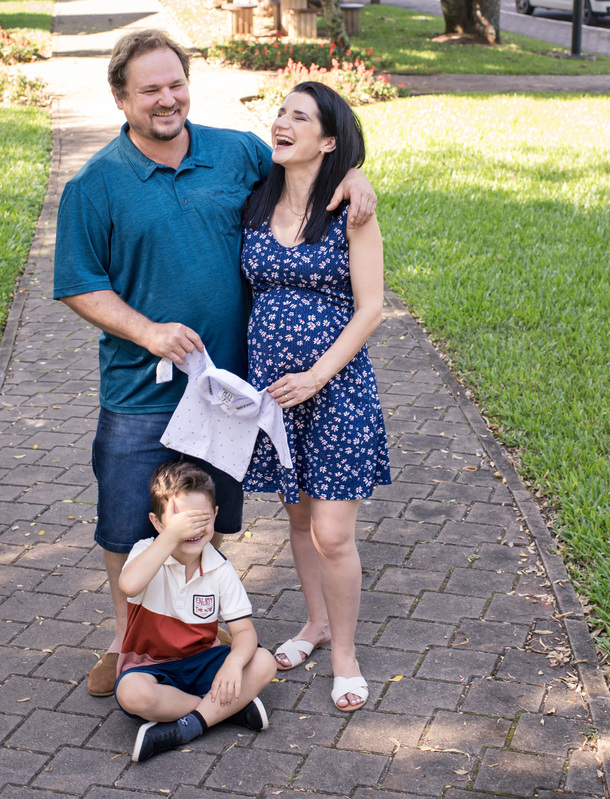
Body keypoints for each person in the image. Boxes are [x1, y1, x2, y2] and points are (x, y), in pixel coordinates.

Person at [52, 29, 377, 698]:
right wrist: (147, 331)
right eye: (149, 89)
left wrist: (353, 174)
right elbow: (80, 284)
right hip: (140, 391)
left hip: (230, 389)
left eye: (176, 84)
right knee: (126, 524)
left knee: (208, 521)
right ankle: (127, 640)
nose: (167, 99)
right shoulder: (95, 185)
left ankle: (195, 635)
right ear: (121, 99)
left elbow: (304, 168)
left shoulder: (236, 153)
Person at [239, 82, 391, 712]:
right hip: (276, 396)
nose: (282, 122)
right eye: (280, 112)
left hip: (336, 389)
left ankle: (345, 655)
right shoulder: (255, 197)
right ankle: (315, 623)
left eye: (299, 117)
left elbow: (371, 308)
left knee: (332, 532)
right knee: (298, 518)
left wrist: (317, 375)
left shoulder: (350, 210)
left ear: (328, 141)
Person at [115, 462, 277, 762]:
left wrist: (233, 665)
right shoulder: (146, 552)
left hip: (202, 661)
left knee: (264, 661)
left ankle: (188, 726)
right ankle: (225, 711)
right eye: (181, 522)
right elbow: (129, 584)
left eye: (200, 519)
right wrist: (170, 537)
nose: (192, 530)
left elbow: (244, 631)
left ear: (214, 516)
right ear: (157, 523)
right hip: (150, 666)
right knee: (132, 694)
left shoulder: (219, 567)